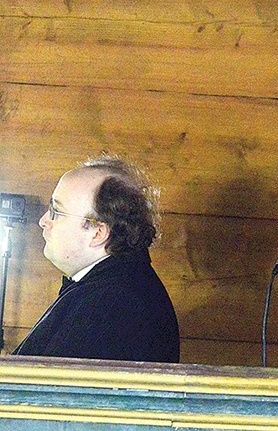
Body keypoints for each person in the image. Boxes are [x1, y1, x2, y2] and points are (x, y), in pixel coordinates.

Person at [13, 155, 180, 362]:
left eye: (56, 211)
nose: (43, 221)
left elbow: (47, 391)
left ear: (98, 233)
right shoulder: (112, 286)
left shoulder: (114, 301)